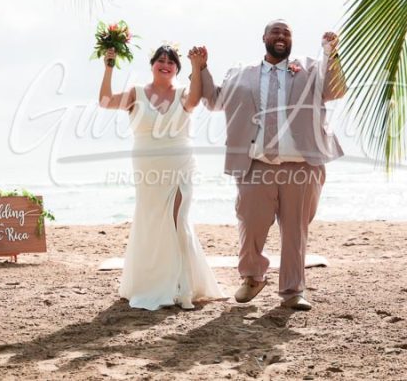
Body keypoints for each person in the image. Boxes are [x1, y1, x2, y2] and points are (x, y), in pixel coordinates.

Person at [194, 19, 347, 311]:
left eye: (286, 32)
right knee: (250, 222)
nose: (281, 36)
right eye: (275, 31)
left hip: (301, 166)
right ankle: (252, 278)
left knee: (295, 230)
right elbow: (213, 100)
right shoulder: (241, 74)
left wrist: (332, 53)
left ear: (291, 40)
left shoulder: (311, 68)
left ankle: (293, 290)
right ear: (263, 37)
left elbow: (335, 90)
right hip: (257, 163)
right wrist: (202, 68)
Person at [99, 45, 223, 310]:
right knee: (152, 222)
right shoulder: (136, 93)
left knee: (178, 220)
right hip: (147, 169)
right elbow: (105, 100)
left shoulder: (183, 95)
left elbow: (197, 98)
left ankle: (183, 286)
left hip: (180, 164)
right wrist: (109, 66)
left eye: (171, 61)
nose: (165, 64)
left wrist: (196, 65)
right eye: (160, 60)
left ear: (177, 68)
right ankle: (151, 282)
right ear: (152, 65)